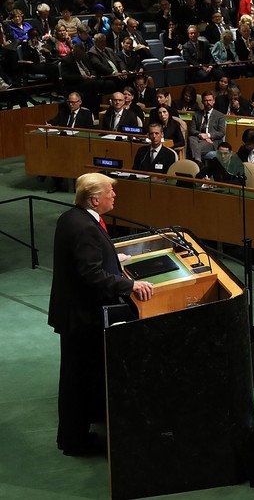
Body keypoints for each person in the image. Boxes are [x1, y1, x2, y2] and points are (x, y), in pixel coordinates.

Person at [49, 173, 153, 456]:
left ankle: (77, 432)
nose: (114, 196)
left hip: (73, 312)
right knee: (76, 381)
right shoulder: (85, 227)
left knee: (77, 376)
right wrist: (131, 284)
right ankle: (75, 442)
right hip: (83, 316)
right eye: (110, 192)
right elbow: (91, 274)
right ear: (95, 199)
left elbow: (86, 258)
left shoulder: (73, 217)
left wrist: (113, 258)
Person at [188, 91, 226, 163]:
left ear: (213, 101)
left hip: (212, 141)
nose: (208, 102)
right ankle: (197, 160)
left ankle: (197, 162)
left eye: (210, 100)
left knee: (197, 146)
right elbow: (192, 130)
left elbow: (221, 133)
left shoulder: (220, 116)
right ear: (202, 101)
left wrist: (208, 135)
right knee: (191, 138)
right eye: (205, 100)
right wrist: (201, 135)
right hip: (198, 138)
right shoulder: (196, 114)